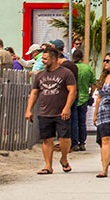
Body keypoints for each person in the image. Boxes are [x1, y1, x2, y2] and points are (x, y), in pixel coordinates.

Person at [25, 44, 77, 174]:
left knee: (64, 138)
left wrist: (67, 108)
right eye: (42, 58)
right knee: (47, 139)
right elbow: (35, 93)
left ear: (53, 59)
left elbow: (72, 91)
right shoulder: (40, 75)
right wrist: (29, 109)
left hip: (61, 112)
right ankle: (48, 165)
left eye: (45, 59)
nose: (42, 61)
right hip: (45, 111)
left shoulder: (66, 73)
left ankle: (64, 159)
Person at [71, 48, 93, 152]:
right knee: (82, 122)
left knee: (74, 121)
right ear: (82, 58)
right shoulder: (88, 68)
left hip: (74, 97)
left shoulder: (72, 68)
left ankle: (74, 143)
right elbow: (93, 83)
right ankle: (82, 142)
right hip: (84, 97)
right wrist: (90, 94)